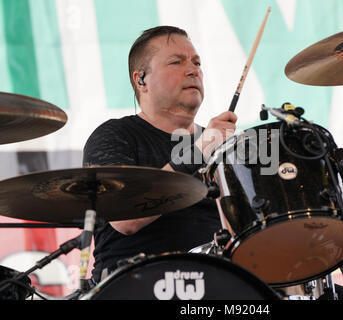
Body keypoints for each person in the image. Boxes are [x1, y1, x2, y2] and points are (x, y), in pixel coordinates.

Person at [82, 26, 238, 285]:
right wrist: (198, 152)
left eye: (196, 62)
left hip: (215, 282)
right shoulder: (115, 135)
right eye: (176, 62)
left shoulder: (220, 147)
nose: (193, 70)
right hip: (137, 285)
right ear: (141, 79)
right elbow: (125, 218)